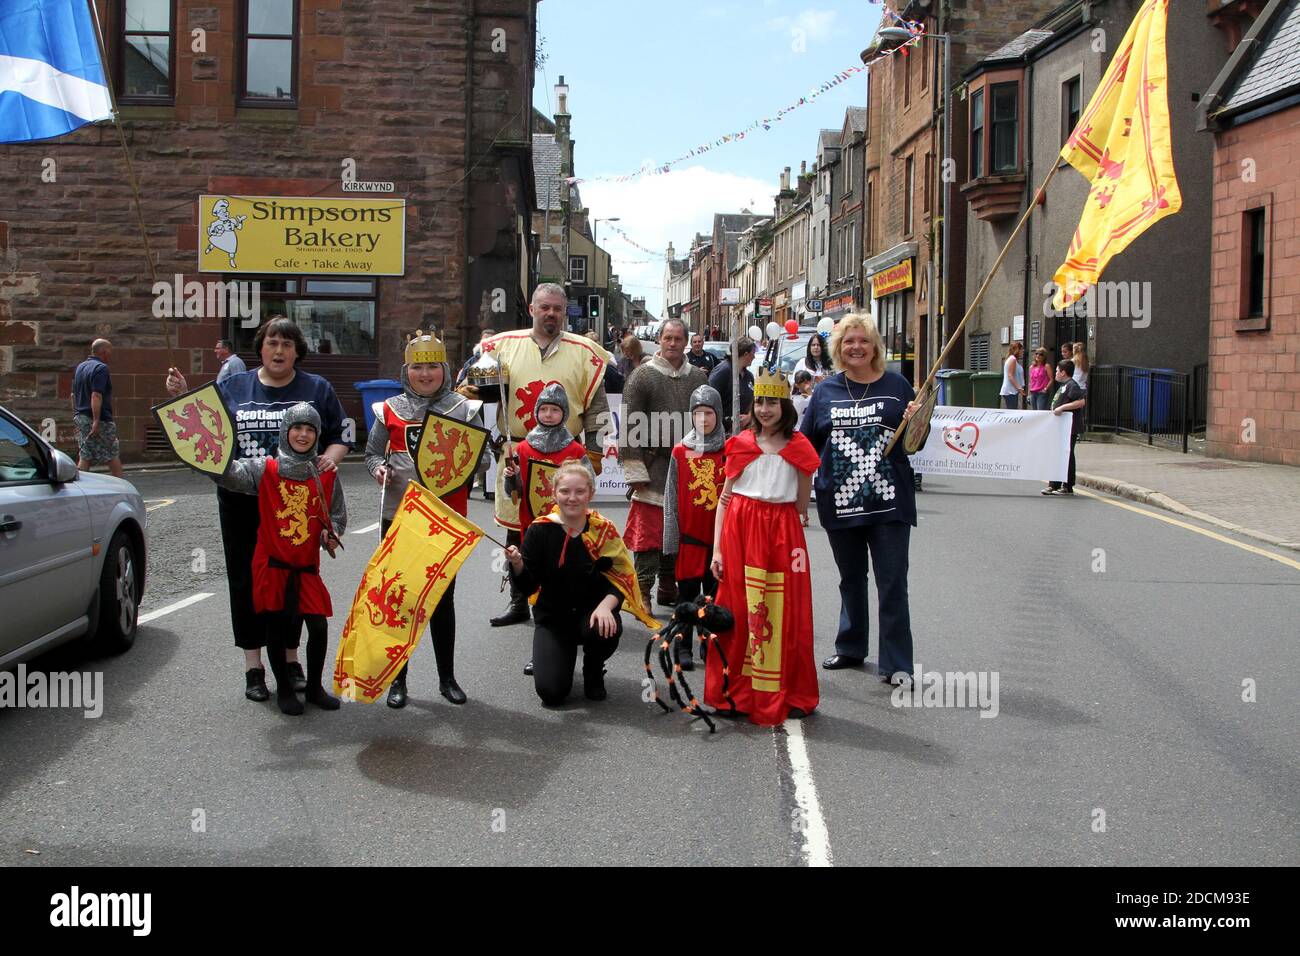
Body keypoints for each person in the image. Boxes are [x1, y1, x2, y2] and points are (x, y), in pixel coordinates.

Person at [166, 316, 351, 702]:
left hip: (294, 505)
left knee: (294, 581)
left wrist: (328, 462)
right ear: (260, 348)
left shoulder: (317, 388)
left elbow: (339, 436)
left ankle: (291, 659)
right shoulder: (232, 385)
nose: (279, 350)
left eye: (286, 343)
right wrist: (183, 395)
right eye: (271, 343)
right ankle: (254, 666)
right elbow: (208, 431)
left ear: (297, 349)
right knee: (247, 582)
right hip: (242, 501)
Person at [466, 283, 610, 627]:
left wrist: (594, 453)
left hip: (567, 457)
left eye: (557, 309)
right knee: (516, 531)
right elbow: (470, 392)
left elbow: (598, 411)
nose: (551, 314)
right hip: (519, 451)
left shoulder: (585, 352)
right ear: (532, 309)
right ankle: (518, 600)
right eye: (544, 307)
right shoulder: (499, 346)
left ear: (564, 311)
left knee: (567, 528)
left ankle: (564, 600)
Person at [800, 313, 928, 684]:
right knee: (851, 579)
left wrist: (918, 419)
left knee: (892, 583)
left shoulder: (898, 385)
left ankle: (897, 663)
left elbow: (915, 444)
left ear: (875, 347)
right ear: (838, 348)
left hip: (890, 504)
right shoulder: (826, 391)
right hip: (839, 502)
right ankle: (851, 646)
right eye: (849, 342)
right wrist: (797, 500)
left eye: (864, 341)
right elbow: (806, 447)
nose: (857, 347)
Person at [365, 330, 480, 708]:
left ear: (444, 370)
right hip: (398, 514)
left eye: (432, 366)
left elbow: (478, 459)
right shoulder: (389, 409)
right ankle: (399, 681)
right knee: (401, 602)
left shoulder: (464, 409)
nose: (425, 374)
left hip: (445, 518)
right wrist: (380, 467)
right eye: (418, 367)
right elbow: (370, 455)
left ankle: (447, 678)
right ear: (406, 371)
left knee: (441, 602)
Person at [212, 404, 347, 716]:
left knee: (318, 626)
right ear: (286, 432)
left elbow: (336, 515)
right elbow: (230, 476)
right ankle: (284, 689)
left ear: (317, 435)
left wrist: (332, 533)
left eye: (310, 429)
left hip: (306, 566)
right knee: (275, 626)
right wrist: (207, 458)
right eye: (297, 428)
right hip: (273, 564)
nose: (303, 434)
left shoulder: (323, 473)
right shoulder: (266, 468)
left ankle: (313, 687)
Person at [705, 369, 820, 725]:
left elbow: (801, 506)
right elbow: (724, 500)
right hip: (741, 530)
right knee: (738, 609)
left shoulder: (800, 448)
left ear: (785, 406)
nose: (765, 409)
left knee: (786, 610)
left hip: (782, 533)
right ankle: (732, 692)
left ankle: (794, 691)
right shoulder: (739, 444)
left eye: (772, 401)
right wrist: (718, 551)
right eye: (759, 402)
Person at [505, 461, 656, 706]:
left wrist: (606, 606)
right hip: (553, 618)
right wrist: (518, 564)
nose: (572, 498)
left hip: (592, 614)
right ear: (554, 493)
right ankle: (559, 659)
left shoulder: (603, 529)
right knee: (551, 694)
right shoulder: (539, 530)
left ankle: (593, 669)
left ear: (591, 494)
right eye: (565, 491)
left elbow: (622, 578)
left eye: (580, 491)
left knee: (606, 627)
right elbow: (528, 588)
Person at [620, 318, 707, 610]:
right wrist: (634, 469)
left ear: (686, 341)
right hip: (653, 463)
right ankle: (642, 590)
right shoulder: (642, 376)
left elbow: (708, 420)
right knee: (649, 535)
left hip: (687, 466)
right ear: (659, 340)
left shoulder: (697, 378)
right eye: (667, 338)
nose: (672, 343)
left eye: (678, 338)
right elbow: (630, 427)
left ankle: (668, 586)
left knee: (677, 532)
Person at [661, 385, 726, 671]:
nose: (703, 420)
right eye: (697, 414)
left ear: (718, 415)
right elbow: (671, 498)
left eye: (708, 413)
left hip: (718, 543)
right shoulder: (680, 450)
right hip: (689, 541)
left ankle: (709, 642)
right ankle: (683, 646)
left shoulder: (729, 450)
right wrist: (671, 542)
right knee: (686, 599)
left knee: (714, 599)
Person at [506, 383, 594, 536]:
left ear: (564, 413)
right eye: (543, 409)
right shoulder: (521, 450)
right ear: (536, 412)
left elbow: (589, 487)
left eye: (555, 410)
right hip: (531, 524)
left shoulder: (576, 451)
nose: (548, 414)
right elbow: (514, 493)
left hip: (569, 525)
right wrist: (513, 477)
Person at [71, 339, 124, 478]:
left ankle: (78, 487)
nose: (110, 355)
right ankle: (122, 487)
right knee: (112, 453)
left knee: (85, 454)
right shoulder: (101, 368)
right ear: (104, 351)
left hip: (81, 417)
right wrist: (96, 421)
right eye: (110, 351)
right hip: (99, 419)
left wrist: (75, 417)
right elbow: (96, 395)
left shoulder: (80, 367)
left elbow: (73, 395)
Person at [1044, 359, 1087, 496]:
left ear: (1063, 372)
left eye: (1057, 371)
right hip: (1060, 427)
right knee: (1057, 454)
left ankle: (1068, 486)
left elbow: (1081, 402)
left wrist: (1062, 407)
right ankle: (1054, 484)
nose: (1055, 373)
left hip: (1070, 427)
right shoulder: (1064, 385)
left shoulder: (1072, 385)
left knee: (1067, 455)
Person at [708, 335, 756, 433]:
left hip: (744, 430)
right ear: (746, 354)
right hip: (723, 431)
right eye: (753, 353)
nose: (754, 357)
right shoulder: (723, 371)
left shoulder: (748, 376)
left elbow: (755, 400)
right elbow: (710, 399)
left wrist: (749, 417)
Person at [1000, 342, 1026, 410]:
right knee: (1012, 411)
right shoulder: (1013, 359)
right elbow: (1010, 375)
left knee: (1012, 410)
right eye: (1021, 349)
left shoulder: (1011, 359)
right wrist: (1019, 388)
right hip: (1010, 391)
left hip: (1012, 390)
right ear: (1018, 350)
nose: (1022, 351)